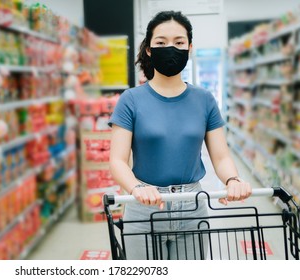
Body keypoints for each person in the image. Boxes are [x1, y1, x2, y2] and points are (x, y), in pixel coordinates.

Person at [108, 10, 252, 260]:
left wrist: (233, 180)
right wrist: (136, 188)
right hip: (144, 208)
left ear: (190, 48)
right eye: (161, 43)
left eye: (179, 42)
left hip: (192, 208)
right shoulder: (130, 100)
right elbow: (117, 161)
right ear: (150, 49)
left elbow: (220, 157)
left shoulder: (204, 100)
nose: (170, 49)